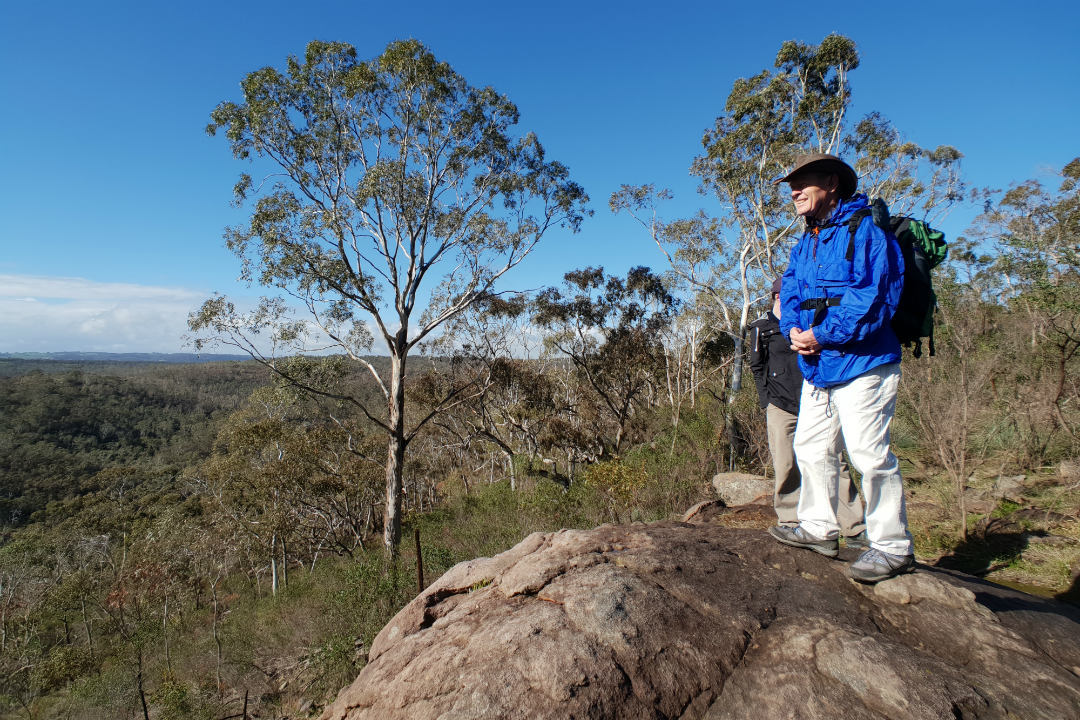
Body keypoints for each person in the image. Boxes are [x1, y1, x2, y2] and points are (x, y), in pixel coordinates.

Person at [767, 152, 915, 583]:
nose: (794, 191)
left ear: (831, 183)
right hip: (818, 366)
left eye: (803, 182)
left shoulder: (865, 229)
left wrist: (823, 334)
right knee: (812, 448)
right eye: (791, 184)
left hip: (864, 363)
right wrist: (794, 330)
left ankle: (892, 545)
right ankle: (817, 526)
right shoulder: (806, 241)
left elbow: (873, 297)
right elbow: (790, 291)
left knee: (869, 455)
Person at [748, 277, 866, 547]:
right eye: (783, 296)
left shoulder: (807, 321)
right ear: (776, 297)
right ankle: (790, 520)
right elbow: (757, 367)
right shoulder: (760, 328)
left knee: (833, 460)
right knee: (786, 463)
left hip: (814, 397)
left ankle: (854, 527)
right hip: (780, 405)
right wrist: (767, 401)